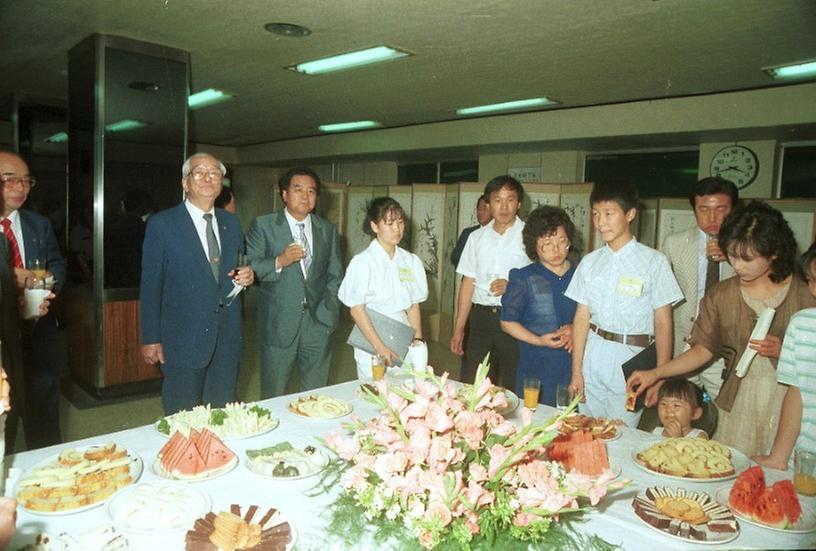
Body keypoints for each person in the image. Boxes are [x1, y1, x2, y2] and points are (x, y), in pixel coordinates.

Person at [627, 201, 816, 457]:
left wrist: (785, 352)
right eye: (733, 255)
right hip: (738, 401)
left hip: (794, 403)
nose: (737, 265)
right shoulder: (721, 295)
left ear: (774, 253)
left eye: (747, 258)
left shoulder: (806, 292)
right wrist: (656, 373)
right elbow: (702, 350)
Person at [140, 153, 254, 415]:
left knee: (223, 415)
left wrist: (246, 277)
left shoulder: (231, 223)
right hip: (182, 339)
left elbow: (234, 271)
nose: (207, 178)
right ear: (185, 183)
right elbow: (150, 284)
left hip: (226, 337)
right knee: (183, 416)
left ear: (221, 182)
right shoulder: (163, 224)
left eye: (214, 173)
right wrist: (150, 338)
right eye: (199, 172)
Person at [565, 180, 682, 427]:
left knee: (620, 432)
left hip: (633, 359)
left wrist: (660, 375)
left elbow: (663, 322)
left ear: (630, 214)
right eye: (596, 214)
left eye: (609, 214)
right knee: (585, 428)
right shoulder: (590, 261)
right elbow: (581, 317)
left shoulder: (654, 262)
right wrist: (576, 371)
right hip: (593, 352)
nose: (600, 222)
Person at [246, 167, 342, 398]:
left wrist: (330, 311)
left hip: (318, 322)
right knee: (274, 393)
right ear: (284, 194)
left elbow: (335, 275)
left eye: (311, 191)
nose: (305, 196)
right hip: (279, 323)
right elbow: (250, 267)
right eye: (298, 189)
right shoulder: (264, 225)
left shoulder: (327, 230)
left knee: (315, 394)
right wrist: (280, 260)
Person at [0, 150, 65, 450]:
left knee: (44, 422)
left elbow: (57, 266)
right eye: (10, 180)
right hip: (2, 342)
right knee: (5, 421)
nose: (20, 188)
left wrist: (43, 287)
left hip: (38, 335)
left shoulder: (38, 224)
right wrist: (11, 277)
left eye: (26, 181)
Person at [450, 175, 530, 391]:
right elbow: (468, 283)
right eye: (497, 200)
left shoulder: (530, 237)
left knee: (516, 387)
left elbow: (540, 282)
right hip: (481, 321)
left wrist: (514, 285)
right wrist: (459, 328)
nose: (504, 206)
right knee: (474, 387)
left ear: (519, 203)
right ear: (488, 203)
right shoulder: (476, 238)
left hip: (516, 319)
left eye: (510, 199)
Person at [661, 177, 738, 399]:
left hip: (723, 348)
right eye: (704, 209)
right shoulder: (674, 243)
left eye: (720, 209)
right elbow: (662, 297)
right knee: (677, 408)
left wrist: (733, 258)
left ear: (732, 209)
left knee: (725, 410)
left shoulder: (746, 248)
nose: (712, 217)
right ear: (694, 209)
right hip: (682, 342)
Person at [338, 197, 428, 377]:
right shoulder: (363, 262)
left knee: (407, 394)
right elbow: (357, 310)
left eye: (400, 222)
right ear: (374, 226)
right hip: (373, 336)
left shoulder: (410, 261)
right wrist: (380, 348)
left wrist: (417, 340)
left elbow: (413, 305)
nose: (397, 229)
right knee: (376, 395)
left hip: (403, 336)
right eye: (389, 223)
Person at [500, 206, 577, 406]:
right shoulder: (524, 277)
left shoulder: (581, 273)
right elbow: (507, 322)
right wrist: (539, 340)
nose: (556, 249)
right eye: (547, 243)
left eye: (562, 242)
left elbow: (594, 313)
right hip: (537, 364)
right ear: (534, 244)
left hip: (575, 364)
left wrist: (576, 328)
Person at [754, 242, 816, 469]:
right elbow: (796, 394)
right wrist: (777, 458)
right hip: (803, 459)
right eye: (812, 281)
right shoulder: (803, 324)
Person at [450, 195, 491, 268]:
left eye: (484, 209)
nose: (480, 212)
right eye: (479, 209)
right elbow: (455, 257)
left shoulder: (499, 234)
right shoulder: (468, 232)